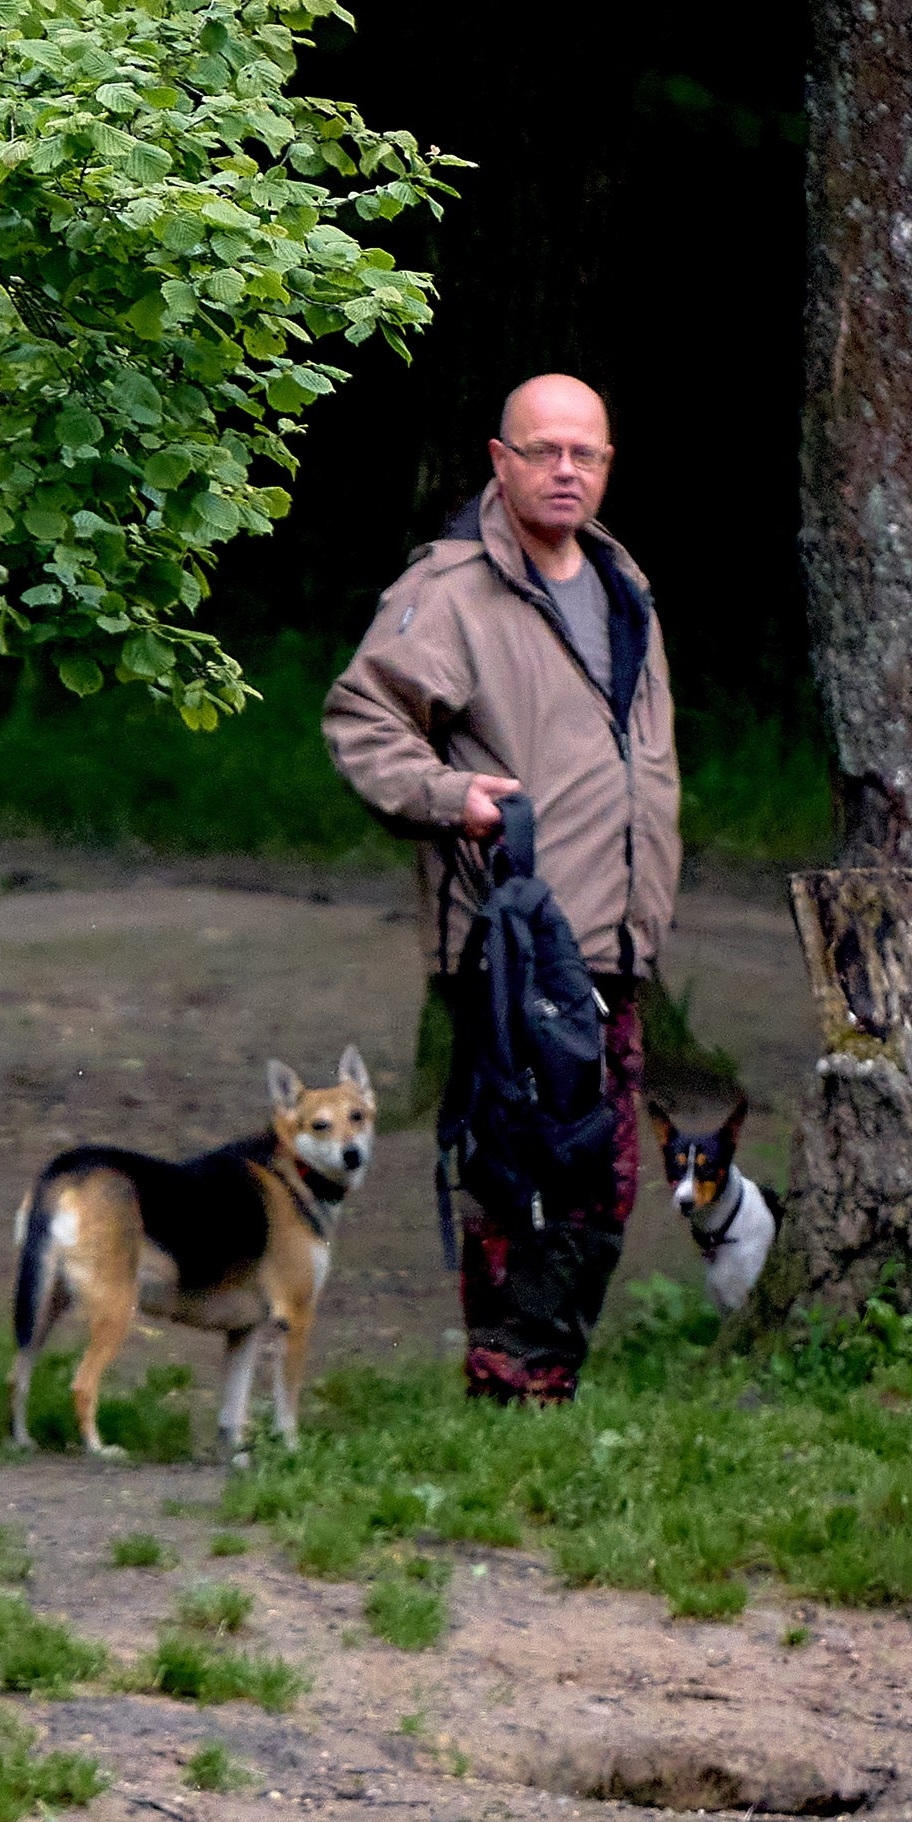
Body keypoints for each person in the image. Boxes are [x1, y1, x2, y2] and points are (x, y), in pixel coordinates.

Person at [322, 375, 681, 1402]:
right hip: (511, 944)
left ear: (607, 466)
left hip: (610, 945)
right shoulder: (449, 590)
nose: (565, 469)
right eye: (543, 450)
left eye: (586, 453)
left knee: (602, 1180)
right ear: (499, 458)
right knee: (521, 1172)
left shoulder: (623, 585)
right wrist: (449, 796)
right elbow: (361, 722)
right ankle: (509, 1382)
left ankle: (539, 1373)